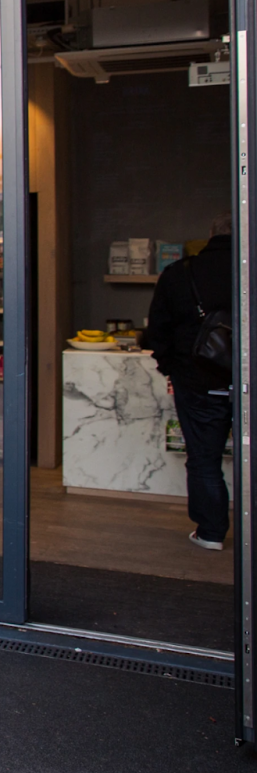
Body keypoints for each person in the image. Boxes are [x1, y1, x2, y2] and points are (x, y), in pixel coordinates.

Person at [143, 213, 234, 551]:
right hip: (246, 383)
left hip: (197, 381)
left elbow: (158, 331)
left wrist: (171, 367)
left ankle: (211, 533)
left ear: (210, 234)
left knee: (204, 457)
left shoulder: (180, 273)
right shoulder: (248, 268)